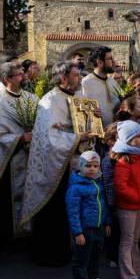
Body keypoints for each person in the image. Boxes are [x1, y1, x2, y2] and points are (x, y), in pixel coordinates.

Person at [21, 62, 100, 267]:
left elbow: (85, 129)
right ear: (63, 78)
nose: (80, 78)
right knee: (54, 211)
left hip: (70, 162)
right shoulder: (50, 100)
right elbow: (49, 137)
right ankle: (50, 255)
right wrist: (78, 137)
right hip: (53, 168)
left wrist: (94, 121)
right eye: (75, 75)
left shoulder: (78, 97)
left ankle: (72, 250)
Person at [0, 61, 36, 250]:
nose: (23, 76)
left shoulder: (31, 98)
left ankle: (29, 233)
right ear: (5, 78)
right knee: (9, 200)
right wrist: (20, 139)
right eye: (18, 74)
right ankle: (11, 239)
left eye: (22, 73)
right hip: (11, 160)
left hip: (30, 157)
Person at [106, 120, 140, 279]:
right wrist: (137, 197)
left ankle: (136, 268)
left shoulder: (138, 155)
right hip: (127, 206)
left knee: (135, 239)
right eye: (137, 137)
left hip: (137, 204)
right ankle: (127, 277)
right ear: (127, 139)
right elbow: (121, 187)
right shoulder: (123, 160)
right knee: (127, 240)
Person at [65, 150, 114, 279]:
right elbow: (73, 211)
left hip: (98, 227)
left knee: (95, 255)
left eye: (95, 166)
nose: (92, 169)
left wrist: (107, 222)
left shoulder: (98, 183)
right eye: (88, 166)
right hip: (85, 229)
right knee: (81, 258)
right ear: (80, 166)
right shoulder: (76, 187)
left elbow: (104, 204)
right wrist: (77, 232)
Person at [80, 47, 122, 133]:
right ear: (99, 62)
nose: (114, 62)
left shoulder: (113, 82)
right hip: (95, 133)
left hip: (114, 131)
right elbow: (78, 108)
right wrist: (89, 111)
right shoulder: (85, 83)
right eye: (110, 59)